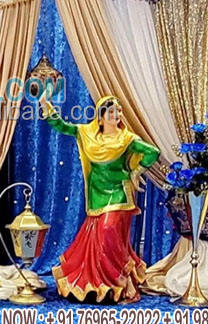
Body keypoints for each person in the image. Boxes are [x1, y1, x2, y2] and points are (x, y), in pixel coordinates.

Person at [43, 96, 160, 303]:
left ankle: (118, 280)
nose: (116, 115)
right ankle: (98, 284)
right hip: (97, 194)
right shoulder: (88, 134)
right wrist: (46, 105)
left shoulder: (127, 139)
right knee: (96, 238)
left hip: (120, 194)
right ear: (101, 117)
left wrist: (136, 172)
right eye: (111, 112)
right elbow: (63, 126)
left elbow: (153, 152)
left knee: (108, 231)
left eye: (118, 111)